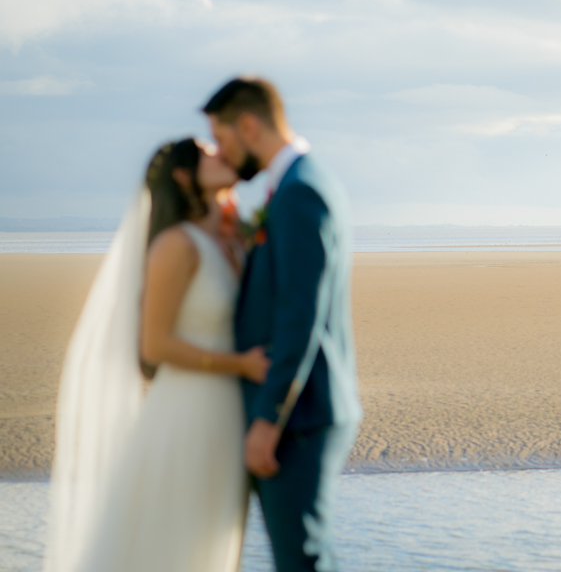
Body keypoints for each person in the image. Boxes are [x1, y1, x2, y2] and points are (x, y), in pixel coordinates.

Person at [45, 138, 270, 572]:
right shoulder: (176, 245)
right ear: (184, 176)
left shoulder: (229, 241)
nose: (222, 153)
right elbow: (155, 345)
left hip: (228, 415)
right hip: (187, 413)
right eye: (208, 153)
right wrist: (238, 365)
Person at [203, 76, 362, 572]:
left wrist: (269, 419)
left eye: (223, 137)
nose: (222, 152)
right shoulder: (299, 184)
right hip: (304, 408)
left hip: (299, 414)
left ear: (249, 125)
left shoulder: (299, 193)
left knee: (303, 561)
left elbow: (301, 316)